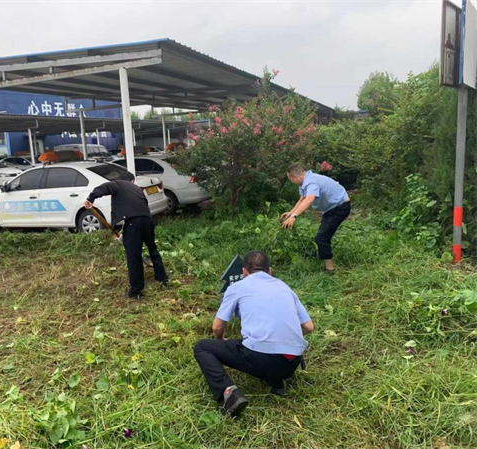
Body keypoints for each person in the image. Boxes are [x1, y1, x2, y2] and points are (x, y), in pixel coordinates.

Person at [194, 250, 314, 417]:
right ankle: (277, 383)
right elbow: (308, 326)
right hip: (292, 361)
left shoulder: (237, 287)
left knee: (202, 347)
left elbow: (217, 327)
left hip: (262, 358)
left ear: (244, 271)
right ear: (269, 271)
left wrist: (220, 341)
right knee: (266, 349)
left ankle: (228, 394)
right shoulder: (285, 288)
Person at [84, 171, 168, 298]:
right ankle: (163, 279)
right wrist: (125, 235)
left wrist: (90, 198)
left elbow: (105, 187)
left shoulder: (118, 184)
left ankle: (136, 291)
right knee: (152, 249)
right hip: (147, 221)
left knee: (133, 256)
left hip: (133, 223)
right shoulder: (137, 189)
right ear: (132, 181)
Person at [281, 164, 350, 273]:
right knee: (323, 236)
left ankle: (330, 269)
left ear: (295, 177)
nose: (292, 182)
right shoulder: (305, 182)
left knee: (321, 237)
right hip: (331, 209)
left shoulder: (311, 182)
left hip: (339, 208)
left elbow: (309, 199)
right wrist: (291, 213)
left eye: (291, 180)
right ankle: (325, 259)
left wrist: (294, 216)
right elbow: (302, 200)